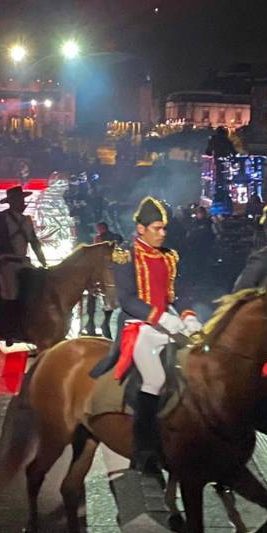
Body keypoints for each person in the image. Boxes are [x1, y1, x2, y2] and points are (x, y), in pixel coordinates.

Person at [111, 196, 201, 475]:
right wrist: (159, 317)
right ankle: (144, 449)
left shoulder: (168, 256)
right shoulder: (125, 254)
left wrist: (188, 315)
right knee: (155, 379)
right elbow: (126, 299)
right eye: (157, 228)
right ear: (141, 229)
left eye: (164, 228)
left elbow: (178, 292)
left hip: (167, 323)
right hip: (138, 325)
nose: (163, 233)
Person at [0, 185, 47, 301]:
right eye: (19, 200)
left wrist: (43, 262)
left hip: (24, 262)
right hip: (7, 263)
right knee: (10, 294)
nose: (22, 203)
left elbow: (34, 243)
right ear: (12, 202)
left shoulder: (27, 220)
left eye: (22, 200)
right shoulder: (1, 218)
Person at [83, 221, 123, 338]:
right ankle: (94, 325)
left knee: (103, 301)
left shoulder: (108, 241)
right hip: (99, 274)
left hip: (103, 274)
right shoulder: (104, 239)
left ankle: (100, 325)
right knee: (95, 301)